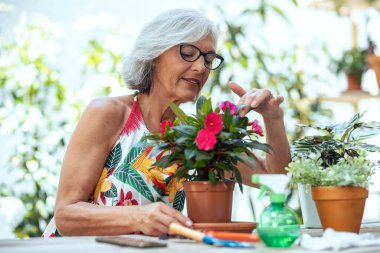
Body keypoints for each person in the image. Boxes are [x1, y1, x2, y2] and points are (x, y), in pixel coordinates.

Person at [42, 8, 290, 238]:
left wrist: (273, 119)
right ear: (154, 53)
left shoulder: (198, 137)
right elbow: (66, 214)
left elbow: (274, 176)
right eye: (188, 53)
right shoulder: (110, 113)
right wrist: (137, 217)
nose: (201, 67)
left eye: (208, 58)